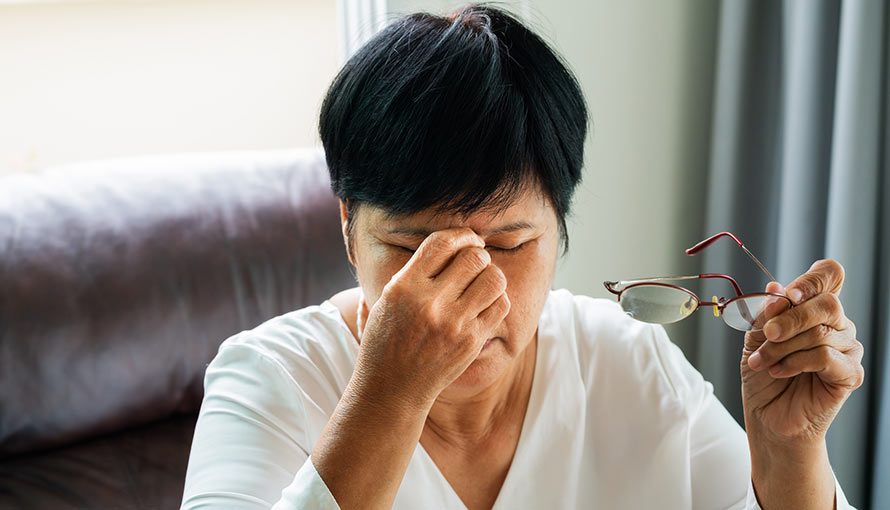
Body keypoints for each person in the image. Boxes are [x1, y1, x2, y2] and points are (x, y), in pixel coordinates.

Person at [181, 5, 864, 509]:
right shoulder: (268, 380)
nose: (471, 291)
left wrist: (790, 454)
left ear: (559, 229)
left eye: (508, 244)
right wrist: (390, 396)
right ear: (347, 228)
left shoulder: (626, 362)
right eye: (413, 248)